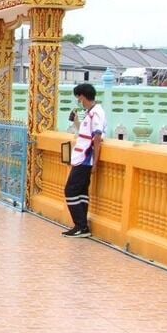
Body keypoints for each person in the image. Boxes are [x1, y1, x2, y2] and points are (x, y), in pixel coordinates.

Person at [63, 82, 106, 239]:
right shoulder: (90, 113)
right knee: (80, 192)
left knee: (70, 190)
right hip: (81, 157)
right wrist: (76, 123)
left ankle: (81, 225)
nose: (78, 101)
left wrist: (95, 162)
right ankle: (81, 226)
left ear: (82, 96)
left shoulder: (96, 113)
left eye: (78, 98)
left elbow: (97, 137)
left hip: (86, 159)